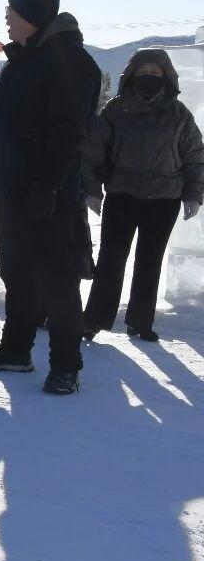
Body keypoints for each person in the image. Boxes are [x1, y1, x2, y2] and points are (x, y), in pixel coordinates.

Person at [0, 0, 101, 395]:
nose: (7, 21)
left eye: (11, 14)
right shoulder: (22, 61)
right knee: (17, 274)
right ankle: (16, 350)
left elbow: (70, 132)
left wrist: (48, 187)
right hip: (12, 186)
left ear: (32, 17)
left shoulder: (71, 62)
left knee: (58, 280)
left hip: (51, 193)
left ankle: (66, 365)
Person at [81, 49, 204, 342]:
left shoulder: (179, 114)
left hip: (164, 199)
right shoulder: (115, 110)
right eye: (143, 72)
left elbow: (194, 156)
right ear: (131, 76)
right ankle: (94, 319)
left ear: (166, 76)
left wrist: (194, 194)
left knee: (150, 260)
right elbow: (93, 152)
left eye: (155, 73)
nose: (149, 77)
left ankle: (140, 321)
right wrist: (92, 190)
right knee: (111, 258)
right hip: (122, 194)